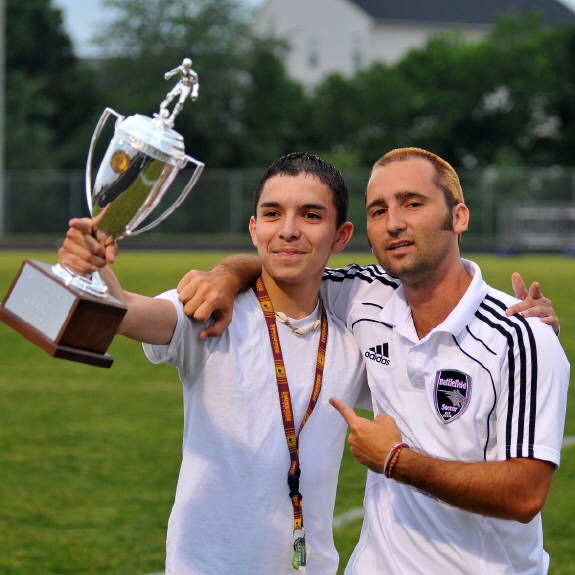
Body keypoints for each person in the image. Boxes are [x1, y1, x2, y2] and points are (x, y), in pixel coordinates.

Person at [176, 148, 567, 574]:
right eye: (378, 210)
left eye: (412, 204)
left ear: (458, 217)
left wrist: (395, 461)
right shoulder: (362, 294)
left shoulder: (520, 336)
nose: (393, 222)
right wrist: (225, 275)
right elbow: (284, 264)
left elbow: (524, 495)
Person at [58, 152, 371, 575]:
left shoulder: (353, 340)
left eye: (311, 215)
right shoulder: (212, 310)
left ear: (341, 235)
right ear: (254, 228)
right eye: (273, 214)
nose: (289, 230)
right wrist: (92, 265)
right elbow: (125, 310)